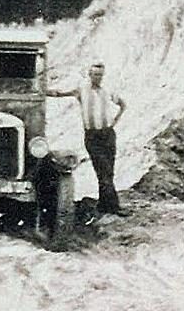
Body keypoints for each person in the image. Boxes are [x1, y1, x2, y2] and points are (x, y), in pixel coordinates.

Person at [48, 62, 129, 216]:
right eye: (94, 74)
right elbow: (59, 93)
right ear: (89, 74)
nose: (97, 77)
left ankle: (104, 206)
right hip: (92, 136)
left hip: (108, 134)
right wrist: (41, 91)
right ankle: (114, 207)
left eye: (100, 75)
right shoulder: (81, 91)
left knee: (108, 172)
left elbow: (123, 104)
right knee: (103, 169)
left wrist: (114, 121)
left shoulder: (108, 91)